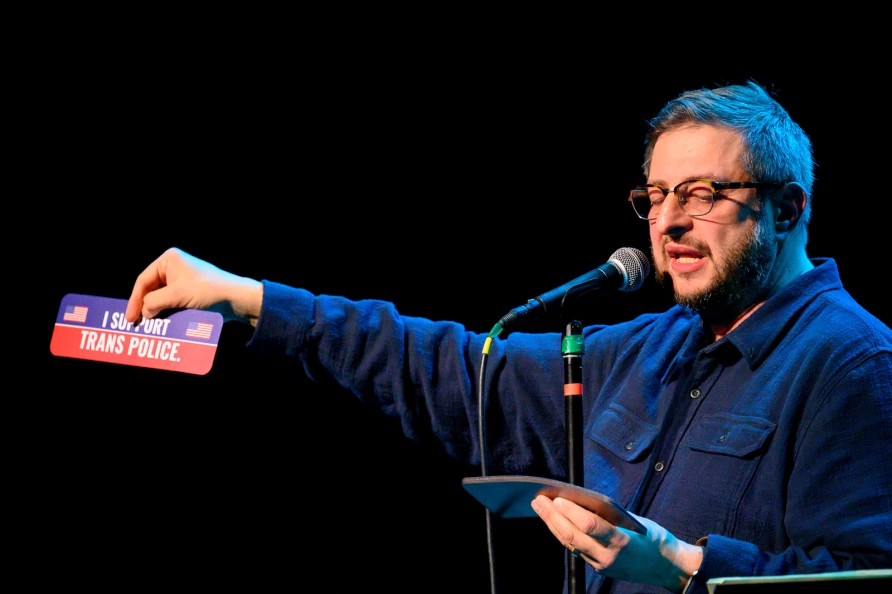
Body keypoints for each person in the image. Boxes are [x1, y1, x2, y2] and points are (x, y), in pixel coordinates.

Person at [123, 81, 892, 593]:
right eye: (655, 196)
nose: (669, 222)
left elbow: (867, 576)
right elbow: (453, 368)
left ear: (787, 209)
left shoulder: (853, 364)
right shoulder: (653, 346)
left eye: (702, 193)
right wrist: (255, 301)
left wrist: (684, 567)